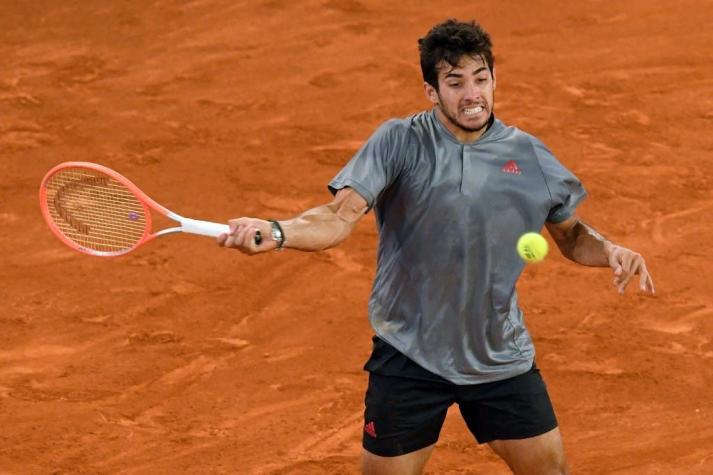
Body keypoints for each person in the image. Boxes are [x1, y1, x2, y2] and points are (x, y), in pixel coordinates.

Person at [217, 18, 655, 475]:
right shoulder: (399, 142)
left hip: (497, 353)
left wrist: (610, 251)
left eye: (481, 79)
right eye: (455, 82)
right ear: (431, 92)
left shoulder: (528, 156)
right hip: (410, 351)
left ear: (494, 80)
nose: (472, 94)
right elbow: (337, 216)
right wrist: (279, 230)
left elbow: (571, 235)